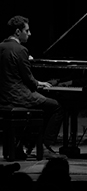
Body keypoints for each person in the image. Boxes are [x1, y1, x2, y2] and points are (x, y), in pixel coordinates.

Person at [0, 16, 65, 159]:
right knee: (56, 107)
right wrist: (39, 83)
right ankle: (45, 146)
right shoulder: (21, 50)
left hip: (4, 96)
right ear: (18, 32)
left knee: (41, 107)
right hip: (19, 95)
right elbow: (28, 79)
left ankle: (24, 145)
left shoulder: (1, 46)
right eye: (27, 31)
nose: (30, 34)